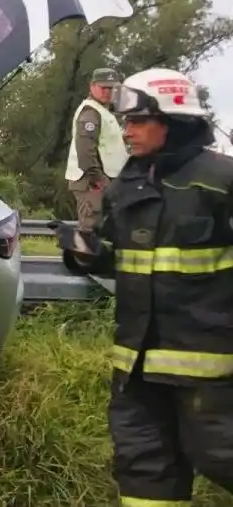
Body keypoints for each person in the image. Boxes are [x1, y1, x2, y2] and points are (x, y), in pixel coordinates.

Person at [57, 66, 233, 506]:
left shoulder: (221, 180)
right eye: (125, 121)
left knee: (219, 457)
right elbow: (126, 258)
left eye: (137, 121)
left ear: (171, 121)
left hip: (210, 373)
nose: (127, 131)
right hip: (136, 369)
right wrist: (89, 253)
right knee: (143, 471)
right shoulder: (128, 184)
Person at [64, 67, 128, 233]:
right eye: (103, 87)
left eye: (112, 88)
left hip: (99, 180)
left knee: (104, 230)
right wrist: (98, 180)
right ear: (92, 86)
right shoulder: (91, 113)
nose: (107, 92)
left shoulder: (102, 111)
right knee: (92, 229)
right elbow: (85, 150)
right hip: (91, 182)